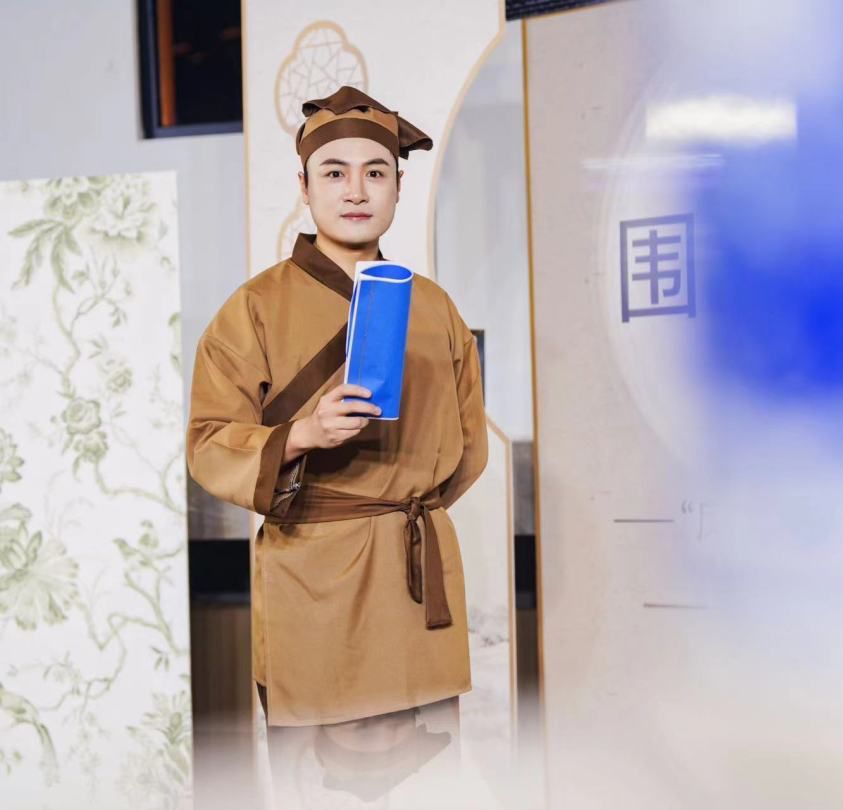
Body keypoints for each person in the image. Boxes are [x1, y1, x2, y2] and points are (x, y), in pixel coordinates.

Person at [186, 85, 488, 801]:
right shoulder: (254, 309)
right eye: (334, 172)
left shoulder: (436, 308)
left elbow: (468, 449)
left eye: (375, 172)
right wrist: (301, 435)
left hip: (414, 582)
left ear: (398, 187)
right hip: (313, 580)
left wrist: (396, 506)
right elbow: (207, 442)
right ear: (304, 186)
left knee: (428, 785)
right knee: (318, 788)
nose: (356, 190)